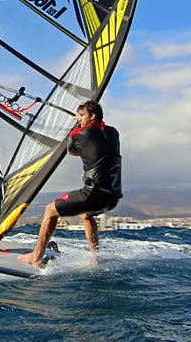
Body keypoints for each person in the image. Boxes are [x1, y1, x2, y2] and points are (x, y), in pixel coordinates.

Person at [19, 100, 122, 266]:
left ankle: (36, 256)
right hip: (112, 198)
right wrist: (82, 122)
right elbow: (96, 142)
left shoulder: (78, 134)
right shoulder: (114, 132)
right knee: (86, 215)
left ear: (92, 115)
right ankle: (96, 256)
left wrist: (77, 125)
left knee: (50, 209)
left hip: (93, 195)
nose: (79, 118)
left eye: (82, 115)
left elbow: (71, 150)